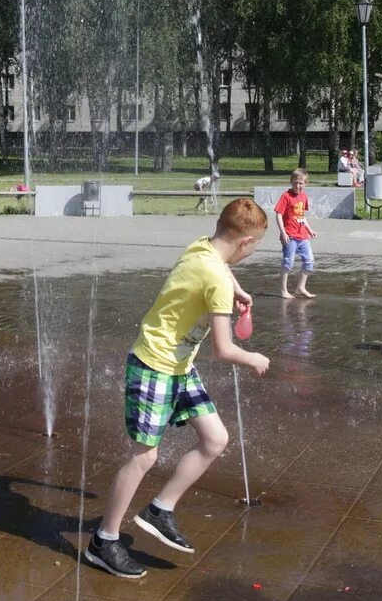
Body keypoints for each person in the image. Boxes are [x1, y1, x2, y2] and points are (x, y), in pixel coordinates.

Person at [85, 197, 270, 579]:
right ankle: (103, 541)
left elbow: (220, 268)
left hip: (179, 367)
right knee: (144, 457)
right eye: (254, 247)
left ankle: (159, 509)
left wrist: (238, 288)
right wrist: (254, 359)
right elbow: (223, 350)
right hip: (154, 364)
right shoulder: (216, 278)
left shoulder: (202, 247)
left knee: (215, 439)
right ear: (246, 243)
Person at [275, 169, 317, 300]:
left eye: (301, 183)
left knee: (309, 262)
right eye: (295, 183)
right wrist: (283, 232)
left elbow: (301, 216)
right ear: (291, 182)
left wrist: (309, 230)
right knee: (288, 262)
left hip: (302, 235)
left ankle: (300, 287)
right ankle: (283, 290)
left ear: (306, 184)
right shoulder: (286, 196)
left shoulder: (303, 196)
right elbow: (279, 215)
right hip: (290, 235)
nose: (298, 186)